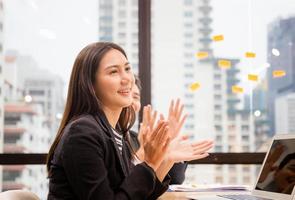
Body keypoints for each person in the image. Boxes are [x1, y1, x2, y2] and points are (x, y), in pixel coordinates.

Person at [46, 42, 213, 199]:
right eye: (113, 72)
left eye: (127, 69)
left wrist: (166, 159)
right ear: (91, 84)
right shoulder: (82, 133)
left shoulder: (116, 132)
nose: (127, 78)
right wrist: (150, 162)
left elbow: (135, 194)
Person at [129, 76, 188, 184]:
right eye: (126, 94)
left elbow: (174, 180)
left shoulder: (135, 137)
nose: (131, 102)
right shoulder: (101, 135)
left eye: (136, 97)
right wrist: (142, 152)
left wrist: (168, 143)